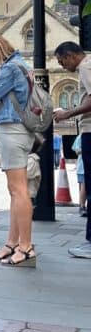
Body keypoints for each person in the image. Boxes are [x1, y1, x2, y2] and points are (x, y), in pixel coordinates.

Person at [0, 34, 36, 267]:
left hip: (12, 129)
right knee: (15, 190)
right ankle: (12, 242)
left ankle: (26, 246)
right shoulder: (22, 65)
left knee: (18, 190)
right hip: (21, 129)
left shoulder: (10, 68)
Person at [54, 42, 91, 258]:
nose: (62, 66)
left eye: (61, 61)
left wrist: (67, 113)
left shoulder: (86, 67)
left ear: (70, 56)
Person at [71, 133, 86, 218]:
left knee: (83, 187)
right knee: (83, 186)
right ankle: (82, 206)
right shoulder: (81, 136)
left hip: (83, 166)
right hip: (83, 166)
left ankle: (82, 205)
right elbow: (76, 150)